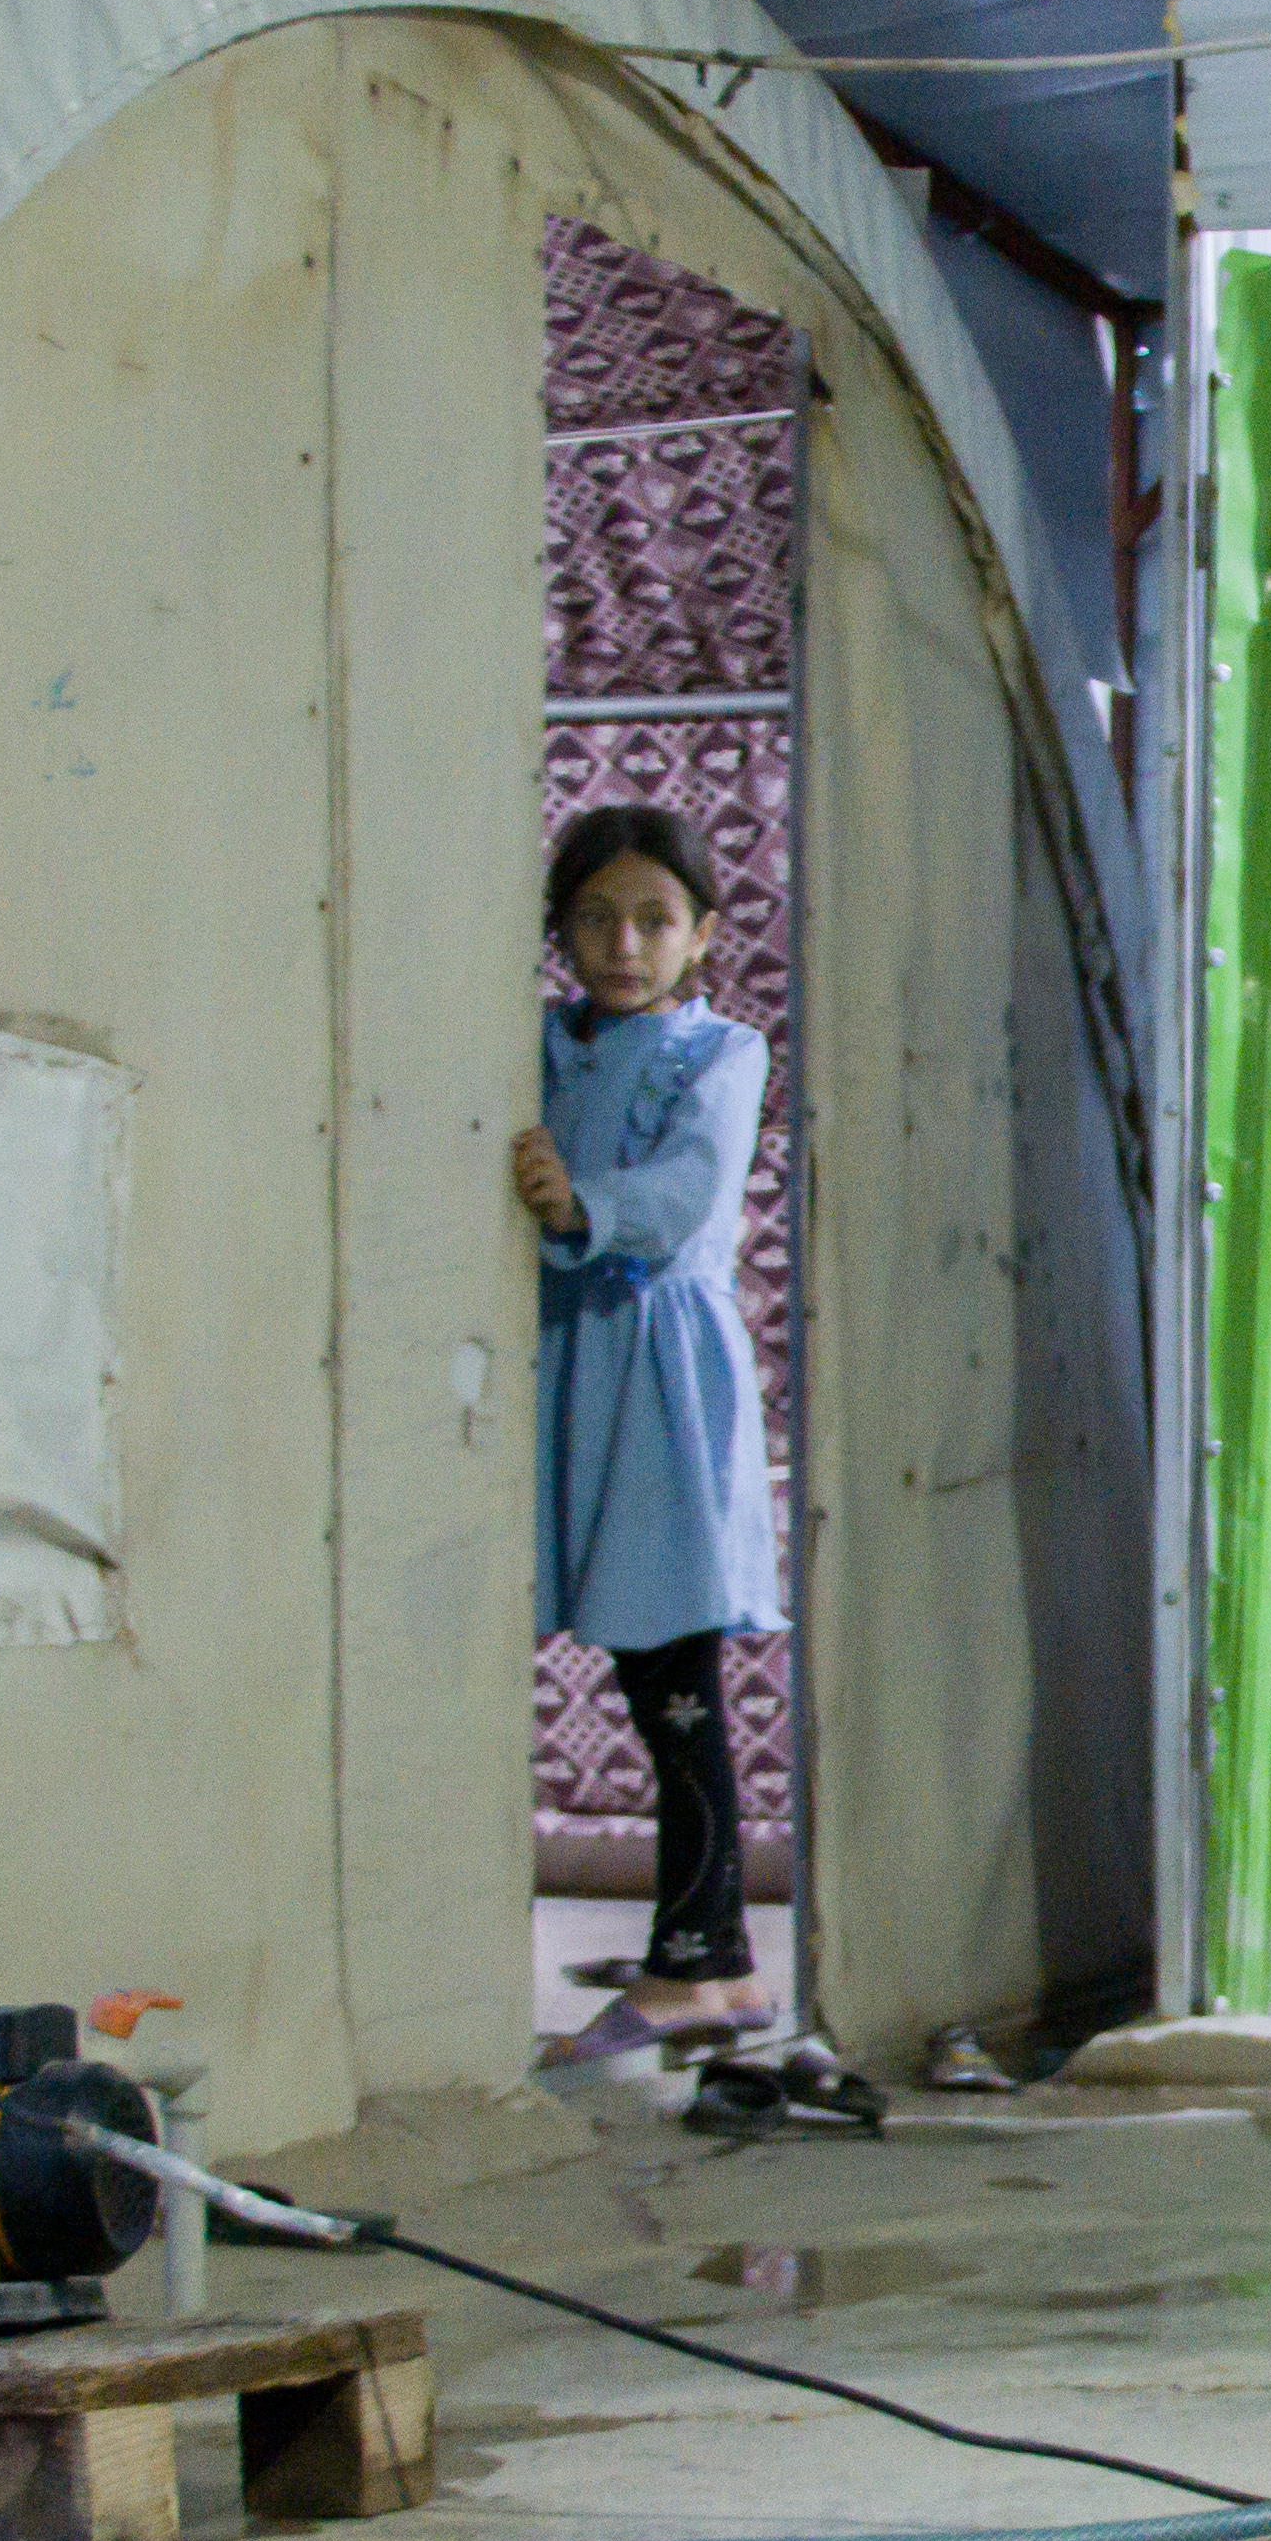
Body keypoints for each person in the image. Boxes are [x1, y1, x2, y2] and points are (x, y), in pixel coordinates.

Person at [517, 803, 783, 2049]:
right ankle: (717, 1958)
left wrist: (582, 1199)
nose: (623, 941)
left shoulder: (720, 1053)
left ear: (701, 935)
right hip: (572, 1359)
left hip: (660, 1373)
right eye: (596, 915)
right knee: (652, 1674)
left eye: (654, 918)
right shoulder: (541, 1046)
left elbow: (684, 1193)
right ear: (561, 928)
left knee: (671, 1671)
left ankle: (688, 1964)